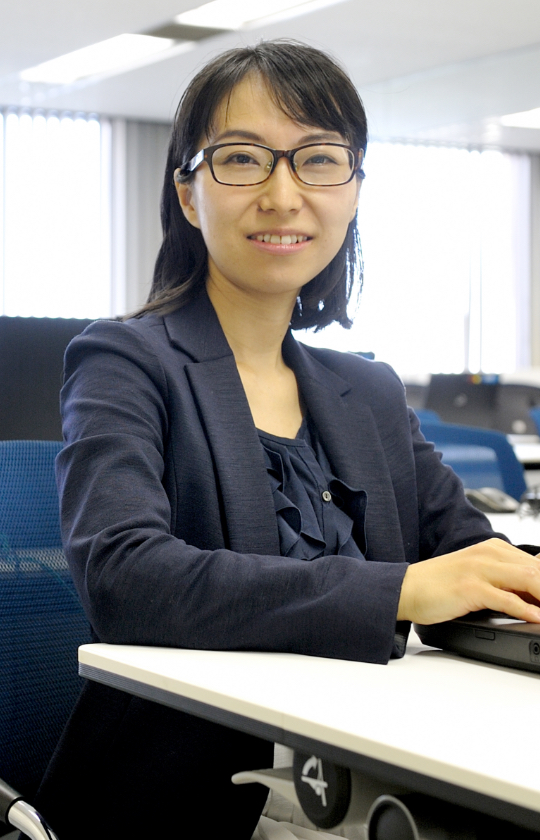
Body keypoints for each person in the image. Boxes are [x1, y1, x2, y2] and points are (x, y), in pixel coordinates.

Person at [36, 40, 540, 839]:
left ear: (354, 190)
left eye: (319, 160)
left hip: (381, 763)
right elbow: (124, 575)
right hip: (192, 795)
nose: (283, 195)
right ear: (189, 194)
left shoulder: (368, 390)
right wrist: (400, 592)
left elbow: (471, 557)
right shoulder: (125, 361)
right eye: (242, 159)